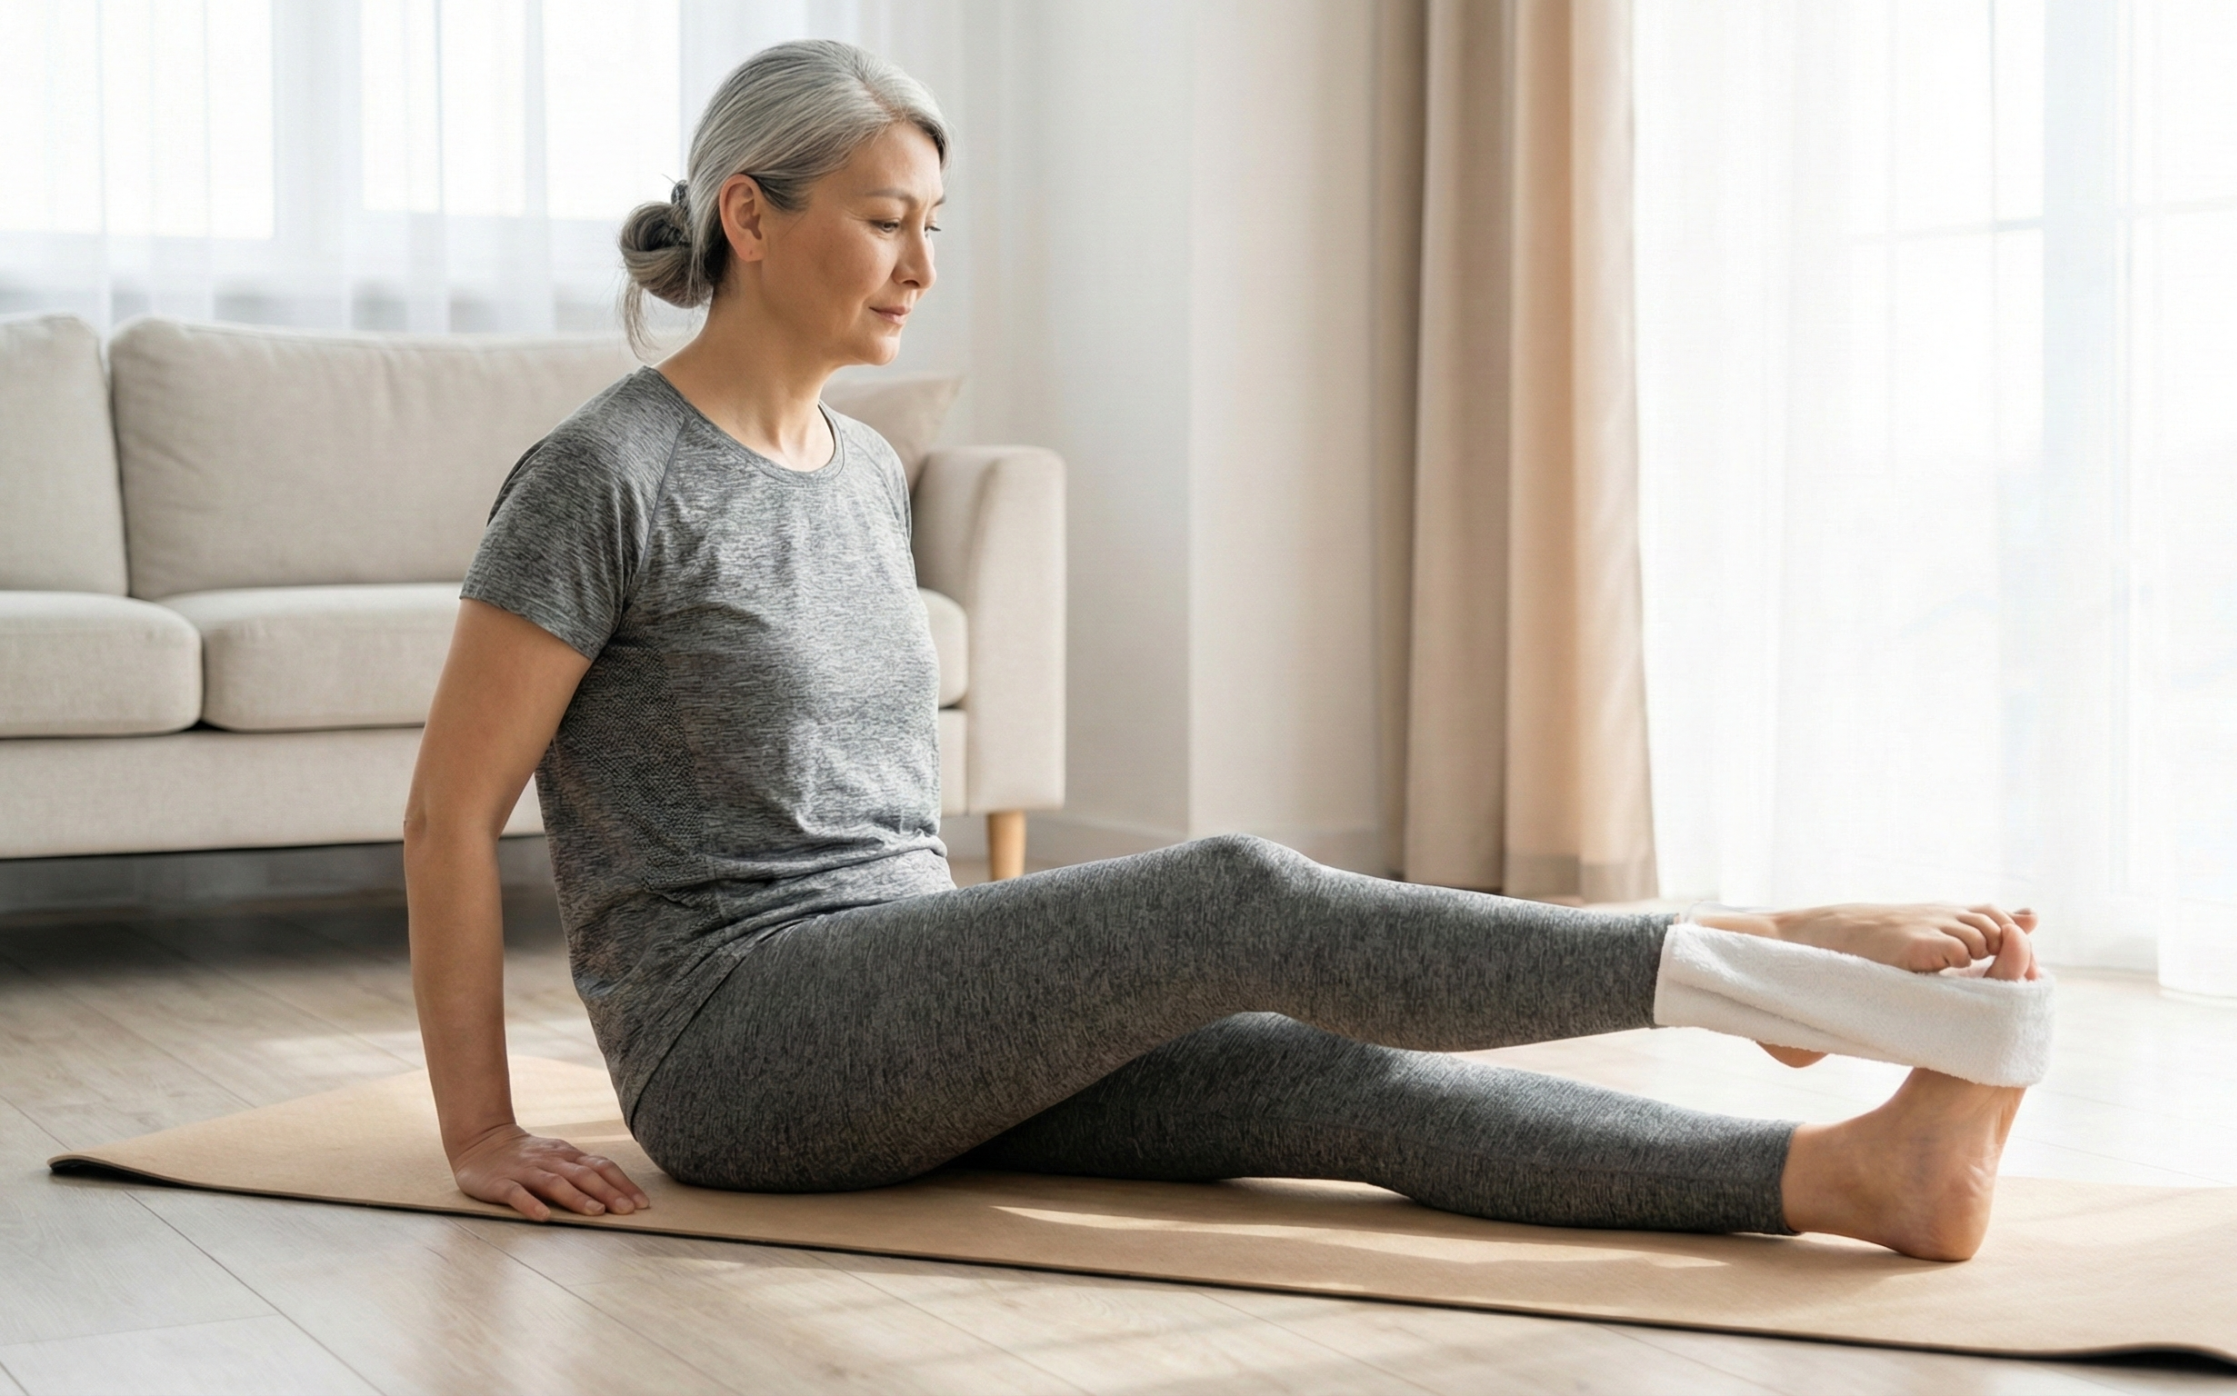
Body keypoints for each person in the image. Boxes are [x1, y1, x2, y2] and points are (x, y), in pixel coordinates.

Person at [404, 39, 2040, 1266]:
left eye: (937, 224)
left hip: (910, 995)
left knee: (1314, 1078)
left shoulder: (868, 471)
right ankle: (1757, 955)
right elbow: (448, 813)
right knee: (1235, 896)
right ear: (751, 220)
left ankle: (1855, 1180)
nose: (921, 265)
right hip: (742, 1054)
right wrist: (478, 1130)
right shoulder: (601, 477)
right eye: (887, 221)